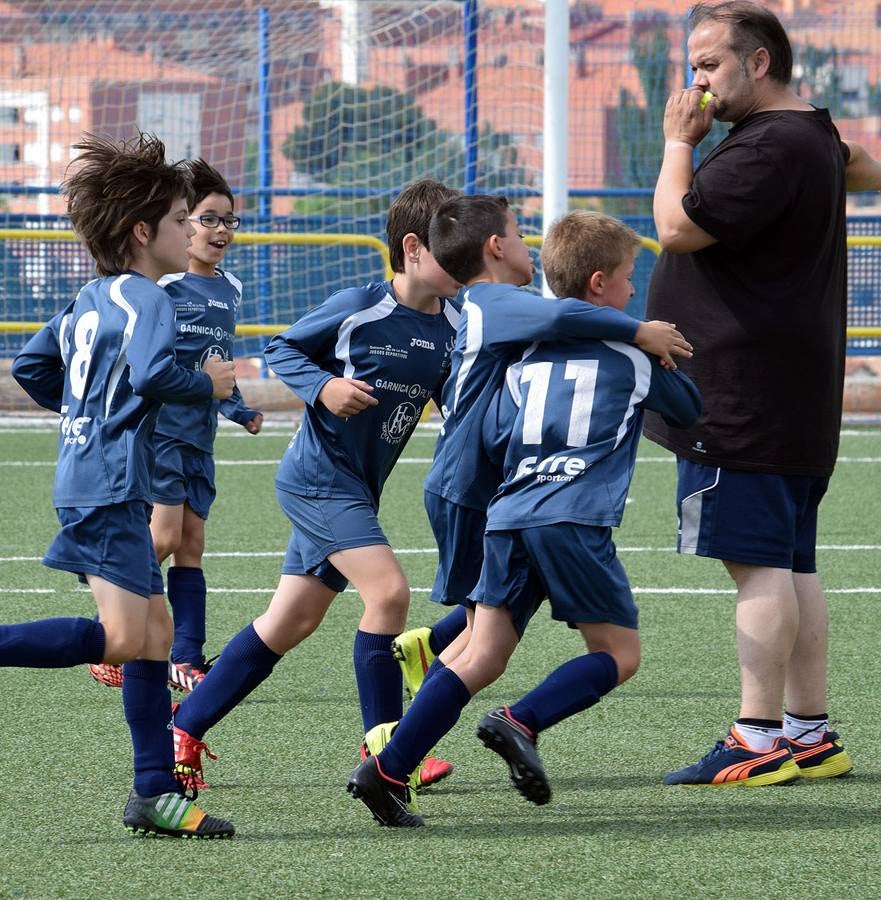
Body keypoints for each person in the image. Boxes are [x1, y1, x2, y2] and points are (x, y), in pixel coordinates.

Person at [0, 133, 237, 839]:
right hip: (109, 483)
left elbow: (32, 366)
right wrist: (202, 385)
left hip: (95, 472)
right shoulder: (149, 299)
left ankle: (153, 792)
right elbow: (151, 378)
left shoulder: (88, 297)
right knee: (123, 638)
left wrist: (88, 413)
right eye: (181, 221)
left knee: (156, 634)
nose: (190, 232)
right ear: (145, 232)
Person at [347, 210, 701, 827]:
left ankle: (385, 769)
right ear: (598, 285)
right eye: (627, 278)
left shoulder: (523, 355)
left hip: (508, 511)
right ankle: (521, 719)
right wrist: (653, 350)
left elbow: (497, 433)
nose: (632, 292)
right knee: (618, 652)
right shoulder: (631, 351)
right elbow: (689, 409)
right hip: (573, 515)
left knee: (479, 652)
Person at [168, 179, 464, 796]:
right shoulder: (362, 305)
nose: (465, 265)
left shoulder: (454, 326)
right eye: (452, 251)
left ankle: (185, 726)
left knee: (290, 620)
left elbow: (457, 401)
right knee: (388, 593)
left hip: (358, 487)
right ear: (413, 250)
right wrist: (325, 388)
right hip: (318, 480)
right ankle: (386, 744)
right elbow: (282, 349)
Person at [650, 1, 879, 786]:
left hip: (741, 394)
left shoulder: (767, 144)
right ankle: (808, 731)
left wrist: (678, 144)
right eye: (692, 68)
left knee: (757, 568)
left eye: (709, 65)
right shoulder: (805, 133)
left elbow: (676, 228)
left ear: (757, 63)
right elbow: (855, 163)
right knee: (788, 564)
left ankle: (754, 738)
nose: (695, 83)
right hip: (788, 390)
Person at [395, 195, 692, 701]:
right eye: (519, 234)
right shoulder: (492, 299)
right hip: (467, 483)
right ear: (495, 246)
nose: (526, 243)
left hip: (479, 481)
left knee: (489, 624)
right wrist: (639, 330)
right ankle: (393, 745)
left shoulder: (499, 306)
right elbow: (564, 317)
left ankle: (420, 690)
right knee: (483, 642)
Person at [87, 160, 262, 695]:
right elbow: (148, 365)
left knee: (192, 543)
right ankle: (106, 634)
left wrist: (238, 408)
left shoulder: (230, 288)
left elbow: (217, 361)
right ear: (182, 227)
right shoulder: (159, 287)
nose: (219, 231)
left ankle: (186, 655)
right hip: (159, 434)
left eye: (228, 221)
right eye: (206, 219)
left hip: (198, 437)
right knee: (162, 535)